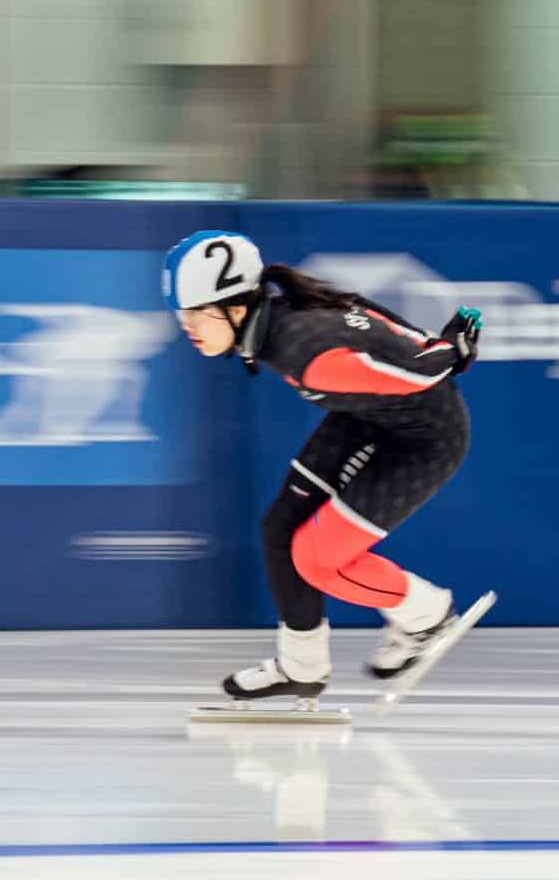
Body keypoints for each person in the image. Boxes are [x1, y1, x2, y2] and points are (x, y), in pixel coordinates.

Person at [162, 231, 488, 707]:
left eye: (195, 312)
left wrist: (449, 352)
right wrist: (440, 347)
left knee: (318, 560)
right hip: (368, 416)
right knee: (280, 529)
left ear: (235, 305)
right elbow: (384, 329)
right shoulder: (286, 316)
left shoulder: (305, 353)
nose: (186, 325)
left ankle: (426, 616)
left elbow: (413, 369)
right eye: (181, 314)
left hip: (423, 441)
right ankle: (302, 668)